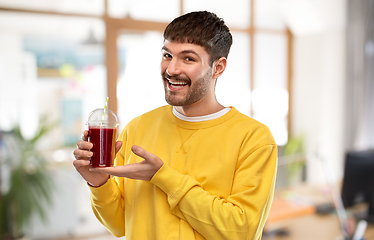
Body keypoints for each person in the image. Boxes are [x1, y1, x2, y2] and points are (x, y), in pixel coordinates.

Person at [73, 11, 277, 240]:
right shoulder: (137, 128)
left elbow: (242, 232)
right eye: (167, 55)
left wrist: (163, 176)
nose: (171, 70)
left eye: (188, 58)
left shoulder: (254, 138)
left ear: (218, 68)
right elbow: (119, 225)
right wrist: (99, 183)